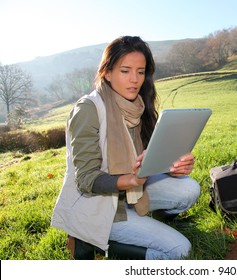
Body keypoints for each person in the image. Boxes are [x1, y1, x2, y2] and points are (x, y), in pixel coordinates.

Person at [51, 36, 200, 260]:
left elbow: (146, 160)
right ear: (107, 72)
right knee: (179, 250)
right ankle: (96, 243)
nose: (135, 80)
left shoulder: (138, 106)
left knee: (189, 189)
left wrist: (172, 166)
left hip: (133, 194)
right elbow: (87, 180)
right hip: (100, 207)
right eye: (125, 71)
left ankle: (146, 221)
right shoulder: (89, 109)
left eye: (140, 72)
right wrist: (130, 180)